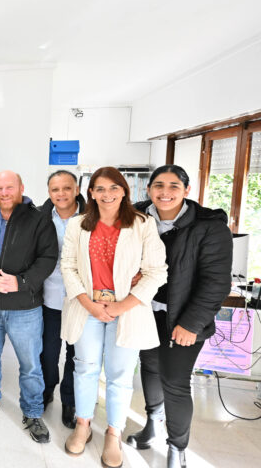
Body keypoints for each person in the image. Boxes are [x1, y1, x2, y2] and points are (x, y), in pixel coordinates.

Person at [61, 166, 168, 468]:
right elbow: (67, 266)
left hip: (127, 310)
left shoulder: (143, 224)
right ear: (91, 193)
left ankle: (113, 434)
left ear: (124, 191)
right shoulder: (78, 224)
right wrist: (90, 304)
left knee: (120, 376)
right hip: (88, 308)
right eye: (100, 188)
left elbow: (156, 272)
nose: (107, 194)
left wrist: (120, 307)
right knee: (85, 368)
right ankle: (83, 425)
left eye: (113, 188)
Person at [126, 165, 232, 468]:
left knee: (174, 380)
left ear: (187, 190)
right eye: (158, 185)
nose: (165, 192)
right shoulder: (136, 218)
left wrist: (191, 323)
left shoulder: (209, 226)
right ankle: (152, 424)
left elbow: (216, 283)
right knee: (149, 368)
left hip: (184, 320)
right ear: (148, 190)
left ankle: (177, 446)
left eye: (174, 186)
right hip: (145, 313)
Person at [0, 170, 57, 444]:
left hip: (25, 309)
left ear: (21, 188)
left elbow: (48, 257)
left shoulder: (39, 220)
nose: (4, 193)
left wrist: (20, 282)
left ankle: (33, 412)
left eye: (9, 187)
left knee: (30, 365)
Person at [39, 170, 86, 429]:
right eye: (55, 189)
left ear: (76, 189)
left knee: (75, 353)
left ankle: (69, 400)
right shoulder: (40, 216)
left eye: (67, 188)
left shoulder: (92, 217)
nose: (61, 194)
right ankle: (47, 390)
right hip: (49, 296)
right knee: (48, 352)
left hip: (81, 299)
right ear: (49, 193)